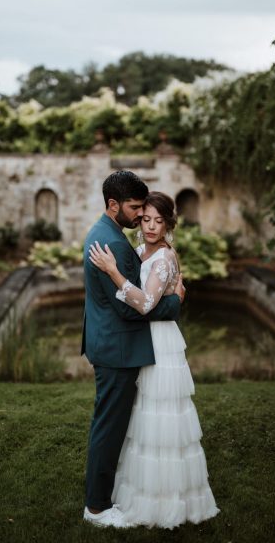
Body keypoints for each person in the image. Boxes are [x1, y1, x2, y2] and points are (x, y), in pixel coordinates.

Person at [88, 190, 221, 529]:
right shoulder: (139, 250)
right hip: (144, 340)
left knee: (163, 417)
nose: (149, 226)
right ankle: (142, 493)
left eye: (158, 221)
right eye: (145, 219)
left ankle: (168, 498)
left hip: (160, 342)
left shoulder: (163, 258)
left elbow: (146, 303)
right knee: (145, 418)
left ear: (168, 224)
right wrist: (173, 300)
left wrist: (114, 272)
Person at [81, 171, 184, 528]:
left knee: (109, 424)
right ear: (114, 206)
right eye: (136, 209)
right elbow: (132, 307)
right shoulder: (117, 246)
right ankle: (96, 509)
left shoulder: (103, 233)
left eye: (149, 212)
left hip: (108, 342)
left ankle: (103, 498)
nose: (142, 217)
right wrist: (175, 304)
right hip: (118, 348)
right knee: (109, 428)